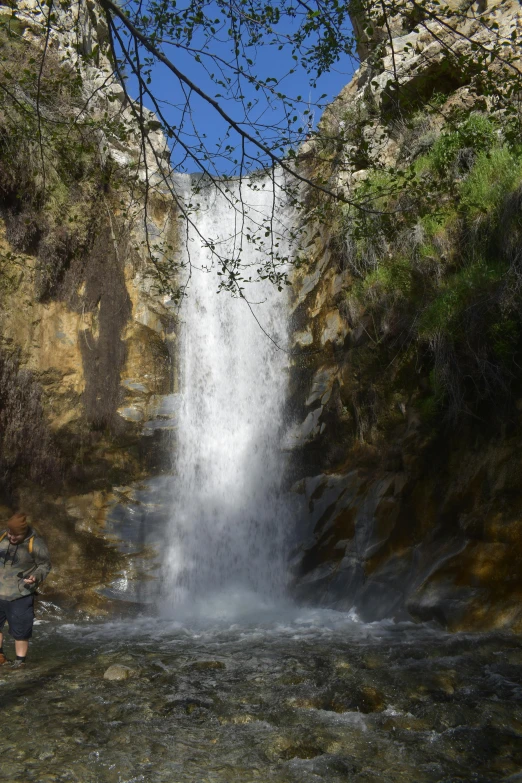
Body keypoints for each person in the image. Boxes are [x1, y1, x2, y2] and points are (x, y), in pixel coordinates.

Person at [0, 512, 51, 667]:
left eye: (16, 535)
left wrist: (35, 576)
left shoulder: (36, 544)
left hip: (20, 594)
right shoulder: (2, 537)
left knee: (21, 631)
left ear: (24, 532)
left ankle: (19, 662)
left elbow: (45, 565)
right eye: (10, 533)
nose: (12, 537)